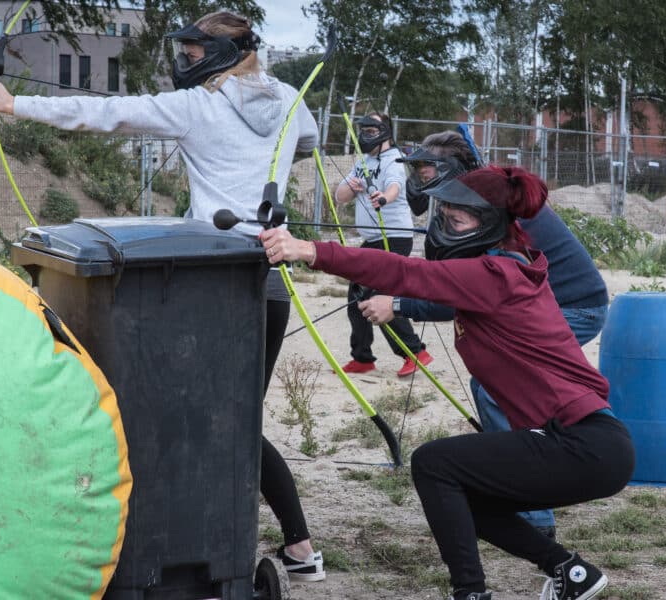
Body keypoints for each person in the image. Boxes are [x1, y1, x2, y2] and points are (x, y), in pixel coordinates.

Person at [0, 11, 326, 582]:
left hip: (211, 283)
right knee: (240, 418)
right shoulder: (288, 99)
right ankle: (297, 548)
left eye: (193, 53)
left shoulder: (197, 107)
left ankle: (265, 541)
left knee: (224, 419)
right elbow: (307, 142)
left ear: (222, 52)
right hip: (267, 279)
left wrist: (15, 104)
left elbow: (108, 114)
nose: (184, 61)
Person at [260, 165, 634, 600]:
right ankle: (571, 572)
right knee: (463, 493)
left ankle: (470, 593)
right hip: (587, 445)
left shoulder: (496, 274)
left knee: (434, 464)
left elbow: (405, 273)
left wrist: (309, 249)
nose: (444, 229)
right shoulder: (498, 273)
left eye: (456, 221)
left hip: (582, 444)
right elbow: (427, 288)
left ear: (489, 224)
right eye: (444, 218)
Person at [364, 130, 611, 538]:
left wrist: (399, 305)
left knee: (498, 387)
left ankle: (533, 513)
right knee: (496, 385)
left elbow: (468, 298)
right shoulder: (473, 202)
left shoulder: (492, 208)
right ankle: (520, 479)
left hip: (575, 306)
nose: (422, 180)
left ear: (453, 172)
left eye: (428, 171)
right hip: (552, 305)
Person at [333, 111, 432, 377]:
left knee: (379, 297)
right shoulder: (363, 161)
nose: (366, 136)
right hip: (373, 240)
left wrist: (383, 198)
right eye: (364, 131)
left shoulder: (394, 160)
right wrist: (352, 188)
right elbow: (340, 195)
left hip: (394, 237)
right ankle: (362, 358)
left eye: (372, 131)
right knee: (356, 298)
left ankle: (415, 352)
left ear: (385, 132)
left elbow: (395, 187)